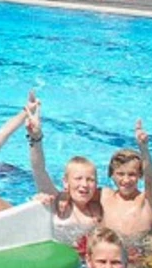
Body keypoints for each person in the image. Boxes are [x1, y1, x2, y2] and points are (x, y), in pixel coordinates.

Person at [27, 101, 104, 246]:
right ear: (65, 182)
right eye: (78, 179)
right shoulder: (56, 203)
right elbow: (38, 169)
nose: (84, 184)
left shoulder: (98, 211)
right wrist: (35, 137)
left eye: (90, 180)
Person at [100, 120, 152, 238]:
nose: (126, 180)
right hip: (109, 253)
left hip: (140, 253)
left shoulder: (145, 200)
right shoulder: (105, 196)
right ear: (111, 174)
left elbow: (151, 179)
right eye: (120, 174)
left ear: (140, 175)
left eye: (132, 174)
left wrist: (144, 149)